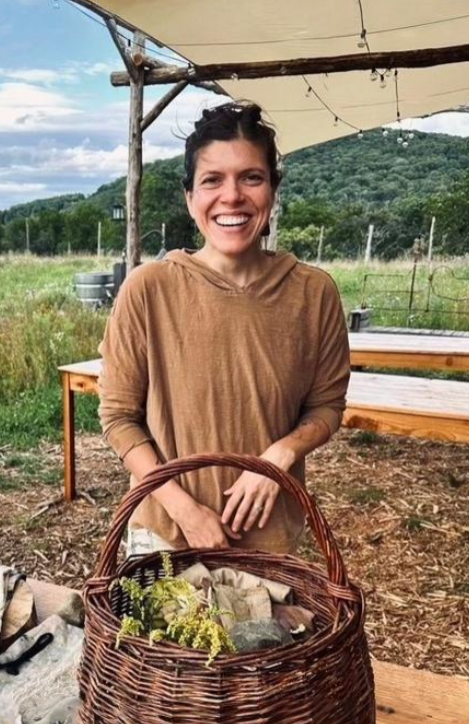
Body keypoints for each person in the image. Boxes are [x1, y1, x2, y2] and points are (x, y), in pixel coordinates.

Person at [98, 102, 351, 555]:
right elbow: (119, 419)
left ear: (273, 190)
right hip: (164, 538)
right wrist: (183, 510)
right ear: (189, 197)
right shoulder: (149, 289)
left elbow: (327, 407)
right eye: (212, 180)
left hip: (272, 543)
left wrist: (279, 457)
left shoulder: (314, 294)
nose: (231, 197)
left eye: (251, 177)